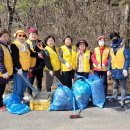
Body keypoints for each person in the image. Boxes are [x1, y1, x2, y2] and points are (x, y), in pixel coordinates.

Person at [107, 32, 129, 108]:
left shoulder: (123, 47)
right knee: (115, 85)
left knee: (123, 86)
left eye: (115, 37)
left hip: (122, 70)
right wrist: (108, 69)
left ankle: (123, 99)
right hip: (114, 70)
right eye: (112, 38)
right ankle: (114, 97)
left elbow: (127, 58)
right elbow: (110, 60)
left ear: (118, 37)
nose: (114, 39)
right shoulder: (111, 48)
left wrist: (125, 68)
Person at [11, 30, 30, 102]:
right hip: (18, 70)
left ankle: (21, 98)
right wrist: (19, 68)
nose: (22, 37)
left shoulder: (26, 44)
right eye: (19, 35)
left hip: (26, 69)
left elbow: (30, 53)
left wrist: (38, 54)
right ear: (16, 36)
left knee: (24, 86)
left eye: (23, 36)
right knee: (18, 87)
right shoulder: (14, 45)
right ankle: (15, 101)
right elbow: (15, 58)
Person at [26, 27, 45, 97]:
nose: (33, 35)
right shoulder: (26, 43)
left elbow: (45, 51)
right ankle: (29, 94)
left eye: (35, 34)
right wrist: (37, 54)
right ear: (29, 35)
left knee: (39, 80)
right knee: (30, 81)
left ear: (37, 35)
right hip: (30, 66)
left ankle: (39, 93)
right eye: (32, 34)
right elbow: (28, 53)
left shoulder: (40, 42)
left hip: (40, 65)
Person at [0, 28, 13, 111]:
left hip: (5, 73)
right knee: (0, 90)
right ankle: (0, 106)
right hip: (1, 73)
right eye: (4, 36)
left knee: (2, 89)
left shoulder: (5, 46)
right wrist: (3, 71)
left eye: (7, 36)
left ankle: (1, 103)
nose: (6, 38)